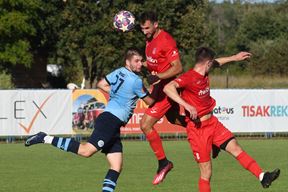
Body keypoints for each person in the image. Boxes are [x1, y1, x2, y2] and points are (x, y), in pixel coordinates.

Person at [24, 48, 155, 192]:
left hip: (112, 122)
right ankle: (45, 138)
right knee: (86, 151)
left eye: (141, 61)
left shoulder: (119, 72)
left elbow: (101, 84)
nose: (140, 64)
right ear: (127, 62)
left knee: (116, 166)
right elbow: (150, 102)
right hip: (110, 121)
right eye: (136, 61)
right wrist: (155, 84)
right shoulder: (135, 81)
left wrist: (116, 94)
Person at [163, 47, 280, 192]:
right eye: (212, 64)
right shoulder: (189, 77)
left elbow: (218, 62)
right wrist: (186, 105)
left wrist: (234, 58)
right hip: (197, 130)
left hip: (213, 123)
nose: (213, 66)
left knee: (236, 148)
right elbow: (168, 87)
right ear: (207, 63)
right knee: (206, 173)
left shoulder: (205, 69)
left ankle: (263, 176)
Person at [139, 11, 221, 185]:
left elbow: (177, 68)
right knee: (175, 119)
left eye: (147, 28)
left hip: (168, 89)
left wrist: (159, 76)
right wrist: (139, 65)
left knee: (145, 124)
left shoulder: (166, 40)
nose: (144, 31)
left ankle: (163, 163)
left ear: (156, 24)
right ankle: (211, 136)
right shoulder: (149, 40)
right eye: (141, 29)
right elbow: (154, 63)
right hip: (159, 87)